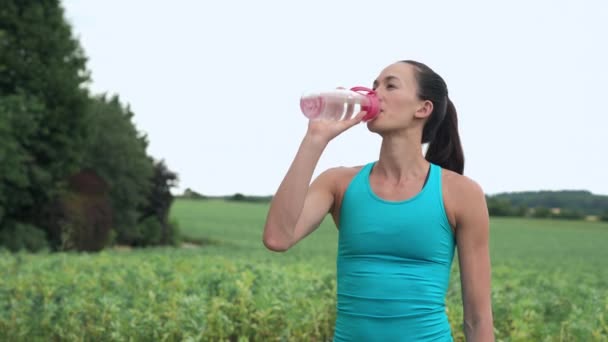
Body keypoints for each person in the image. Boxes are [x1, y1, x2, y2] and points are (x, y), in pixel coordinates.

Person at [262, 60, 494, 341]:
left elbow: (478, 318)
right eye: (374, 85)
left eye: (390, 85)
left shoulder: (461, 193)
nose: (374, 94)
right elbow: (277, 238)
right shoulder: (338, 183)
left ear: (423, 108)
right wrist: (315, 139)